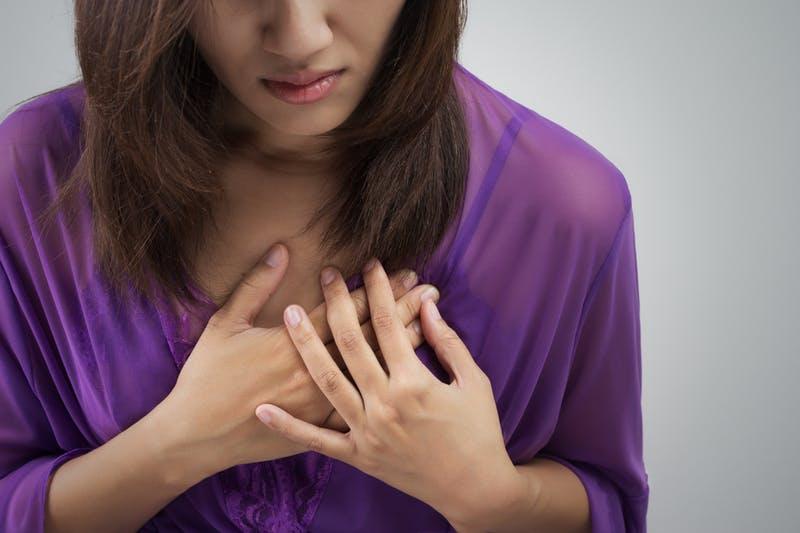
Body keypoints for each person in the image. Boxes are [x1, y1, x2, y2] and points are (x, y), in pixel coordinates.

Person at [0, 1, 649, 531]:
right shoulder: (32, 176)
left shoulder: (565, 208)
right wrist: (178, 443)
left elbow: (609, 506)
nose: (299, 35)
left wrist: (490, 496)